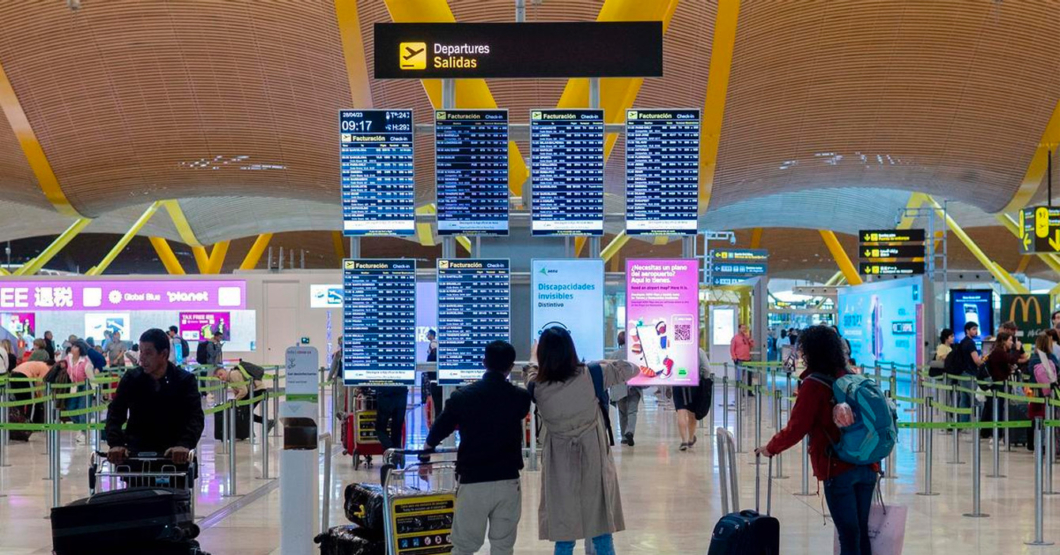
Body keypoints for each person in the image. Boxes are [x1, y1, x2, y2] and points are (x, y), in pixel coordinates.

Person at [755, 325, 879, 555]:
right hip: (867, 462)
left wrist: (771, 448)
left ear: (810, 351)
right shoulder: (850, 376)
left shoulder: (814, 385)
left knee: (848, 535)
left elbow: (797, 427)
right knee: (860, 530)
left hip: (837, 465)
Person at [528, 326, 636, 555]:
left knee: (564, 536)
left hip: (559, 463)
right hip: (593, 457)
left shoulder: (537, 386)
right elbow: (631, 368)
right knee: (602, 530)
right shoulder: (593, 374)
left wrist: (533, 359)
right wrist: (603, 362)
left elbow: (530, 373)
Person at [419, 340, 531, 555]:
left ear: (483, 362)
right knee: (503, 546)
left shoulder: (463, 397)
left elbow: (440, 427)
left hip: (473, 480)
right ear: (511, 366)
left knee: (464, 547)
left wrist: (425, 454)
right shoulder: (520, 398)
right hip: (508, 481)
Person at [104, 329, 205, 465]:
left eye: (148, 353)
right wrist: (116, 443)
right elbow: (115, 412)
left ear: (163, 354)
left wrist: (184, 444)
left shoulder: (184, 381)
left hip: (174, 456)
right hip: (136, 455)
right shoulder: (131, 379)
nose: (141, 358)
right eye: (141, 352)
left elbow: (195, 416)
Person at [214, 366, 274, 430]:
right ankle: (263, 424)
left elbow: (244, 391)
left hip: (258, 391)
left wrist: (234, 401)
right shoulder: (229, 379)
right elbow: (238, 392)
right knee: (243, 412)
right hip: (254, 391)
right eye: (218, 377)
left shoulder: (233, 375)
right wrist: (235, 401)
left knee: (245, 413)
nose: (221, 377)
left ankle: (266, 422)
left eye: (221, 374)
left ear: (225, 370)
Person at [674, 348, 709, 451]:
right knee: (692, 414)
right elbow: (707, 369)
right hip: (694, 383)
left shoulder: (675, 349)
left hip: (678, 382)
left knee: (681, 412)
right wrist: (703, 378)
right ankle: (690, 439)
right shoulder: (698, 350)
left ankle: (684, 441)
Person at [610, 331, 641, 447]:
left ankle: (624, 437)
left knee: (622, 412)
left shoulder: (614, 355)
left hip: (619, 387)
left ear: (619, 342)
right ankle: (630, 432)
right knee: (632, 411)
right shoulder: (635, 354)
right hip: (634, 386)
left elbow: (610, 372)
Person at [65, 340, 96, 444]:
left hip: (86, 386)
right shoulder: (68, 358)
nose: (72, 348)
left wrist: (95, 393)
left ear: (80, 349)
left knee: (83, 409)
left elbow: (92, 379)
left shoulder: (86, 363)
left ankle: (83, 432)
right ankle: (81, 427)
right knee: (70, 408)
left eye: (75, 347)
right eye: (72, 346)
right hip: (73, 386)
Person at [954, 322, 984, 423]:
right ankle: (979, 425)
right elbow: (976, 361)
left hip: (962, 374)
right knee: (977, 399)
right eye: (973, 329)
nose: (976, 331)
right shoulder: (970, 343)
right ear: (967, 330)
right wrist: (984, 361)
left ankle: (963, 424)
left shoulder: (962, 342)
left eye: (976, 329)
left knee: (964, 401)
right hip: (970, 374)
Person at [374, 384, 408, 451]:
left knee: (380, 428)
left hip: (385, 394)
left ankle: (389, 448)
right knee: (397, 429)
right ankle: (396, 452)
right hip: (402, 394)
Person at [730, 323, 755, 395]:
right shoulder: (735, 338)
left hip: (748, 360)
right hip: (740, 360)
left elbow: (752, 345)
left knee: (749, 376)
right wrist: (735, 358)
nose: (744, 329)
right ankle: (740, 392)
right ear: (739, 329)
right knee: (740, 377)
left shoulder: (747, 338)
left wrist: (749, 339)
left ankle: (749, 392)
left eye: (745, 328)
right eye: (742, 328)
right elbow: (732, 349)